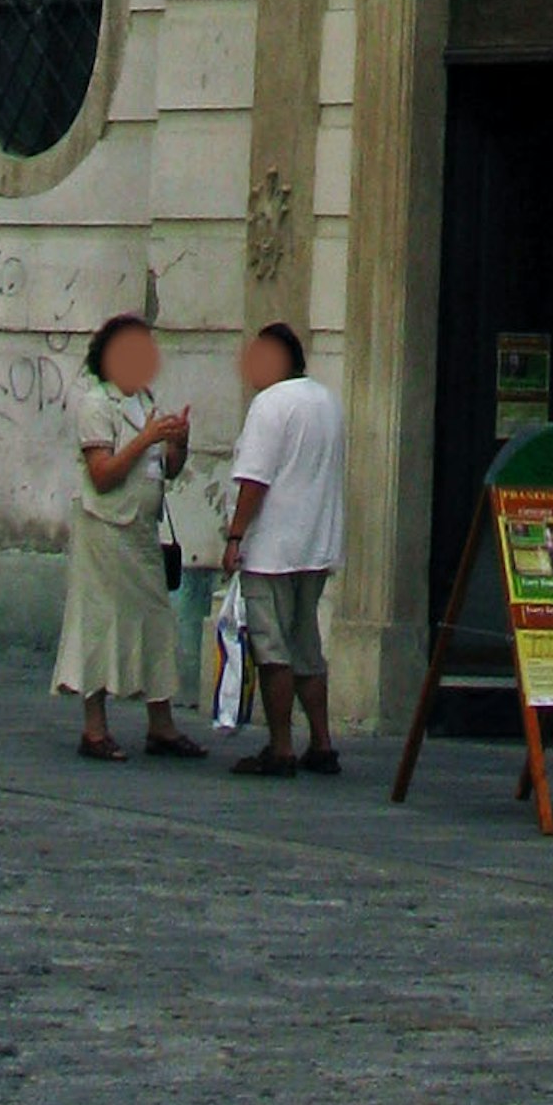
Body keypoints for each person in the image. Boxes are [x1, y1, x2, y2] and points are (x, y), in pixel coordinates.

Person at [56, 311, 196, 762]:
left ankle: (162, 725)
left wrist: (178, 443)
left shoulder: (144, 400)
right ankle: (94, 729)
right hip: (105, 528)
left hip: (140, 529)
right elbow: (102, 474)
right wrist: (147, 438)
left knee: (156, 620)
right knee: (98, 623)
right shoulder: (97, 403)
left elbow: (166, 470)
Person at [218, 318, 346, 782]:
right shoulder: (326, 400)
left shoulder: (269, 405)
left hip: (273, 546)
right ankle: (322, 741)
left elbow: (255, 479)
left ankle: (281, 745)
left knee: (272, 649)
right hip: (316, 542)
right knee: (306, 644)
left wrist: (235, 535)